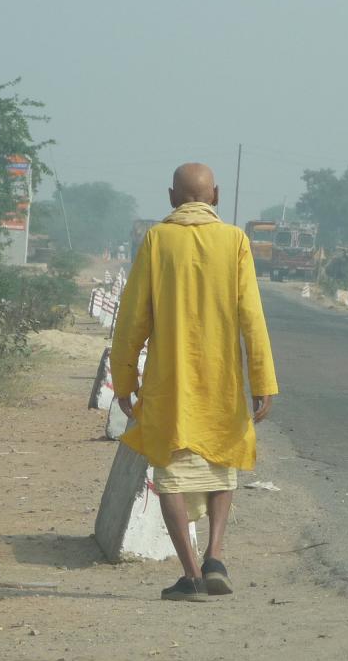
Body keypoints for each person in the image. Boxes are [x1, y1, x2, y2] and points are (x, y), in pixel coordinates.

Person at [110, 162, 279, 602]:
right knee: (223, 465)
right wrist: (263, 379)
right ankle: (216, 556)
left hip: (171, 381)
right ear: (216, 197)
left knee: (170, 475)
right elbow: (252, 318)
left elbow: (132, 320)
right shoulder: (235, 241)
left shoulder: (157, 240)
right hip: (221, 380)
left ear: (171, 198)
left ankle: (190, 575)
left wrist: (123, 378)